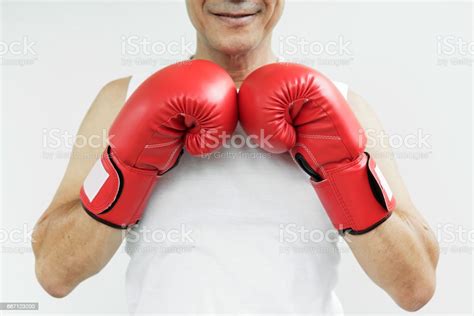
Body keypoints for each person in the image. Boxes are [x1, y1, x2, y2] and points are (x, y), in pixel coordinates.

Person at [32, 0, 439, 314]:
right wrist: (128, 166)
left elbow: (415, 286)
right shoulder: (124, 100)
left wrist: (343, 169)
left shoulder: (341, 104)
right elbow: (55, 271)